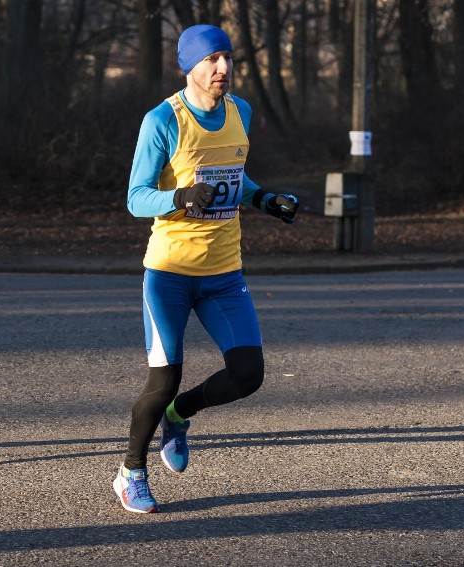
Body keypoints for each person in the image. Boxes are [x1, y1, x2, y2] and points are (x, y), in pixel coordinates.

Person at [113, 24, 299, 513]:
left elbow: (236, 175)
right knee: (162, 380)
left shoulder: (241, 111)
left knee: (248, 374)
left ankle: (178, 417)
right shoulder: (162, 121)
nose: (223, 68)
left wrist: (263, 198)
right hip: (170, 273)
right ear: (188, 65)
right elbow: (135, 198)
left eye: (228, 58)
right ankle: (130, 471)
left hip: (224, 275)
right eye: (212, 59)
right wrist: (179, 197)